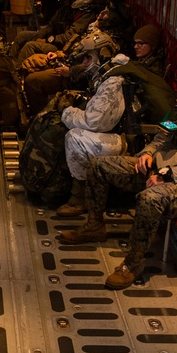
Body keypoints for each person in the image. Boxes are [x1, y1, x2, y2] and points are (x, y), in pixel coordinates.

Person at [57, 53, 177, 290]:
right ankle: (95, 226)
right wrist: (147, 153)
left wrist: (166, 174)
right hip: (159, 168)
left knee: (149, 199)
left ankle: (133, 263)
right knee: (99, 165)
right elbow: (164, 133)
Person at [57, 32, 127, 217]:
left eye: (88, 58)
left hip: (124, 139)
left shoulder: (113, 81)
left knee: (75, 138)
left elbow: (94, 122)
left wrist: (67, 111)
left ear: (102, 54)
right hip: (115, 131)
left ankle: (79, 198)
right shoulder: (105, 74)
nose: (84, 63)